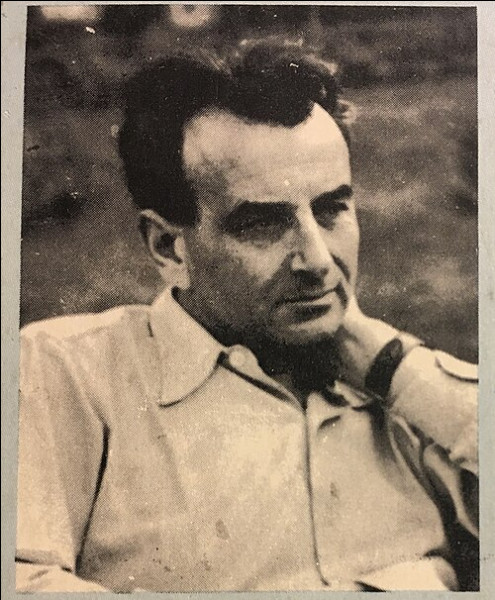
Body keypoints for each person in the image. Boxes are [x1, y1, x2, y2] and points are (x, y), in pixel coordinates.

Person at [16, 43, 478, 592]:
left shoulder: (407, 397)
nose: (317, 260)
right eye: (263, 224)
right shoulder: (70, 374)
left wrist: (389, 364)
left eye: (331, 209)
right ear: (168, 247)